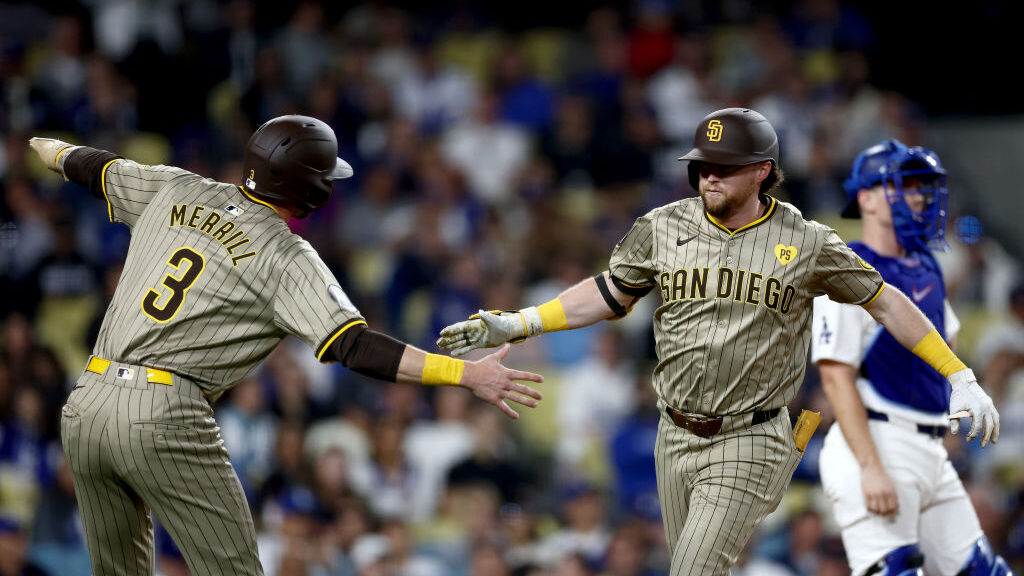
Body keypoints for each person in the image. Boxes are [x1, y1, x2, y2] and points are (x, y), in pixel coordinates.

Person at [436, 108, 1001, 575]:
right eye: (703, 166)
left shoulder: (806, 242)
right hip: (674, 433)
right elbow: (610, 292)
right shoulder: (663, 225)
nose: (709, 176)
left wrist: (959, 374)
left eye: (724, 168)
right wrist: (521, 322)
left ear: (762, 171)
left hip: (751, 437)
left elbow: (887, 301)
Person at [27, 114, 544, 576]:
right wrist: (465, 374)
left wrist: (45, 146)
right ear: (311, 190)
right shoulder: (287, 254)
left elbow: (92, 165)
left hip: (88, 401)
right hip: (162, 412)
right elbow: (355, 347)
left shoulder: (177, 188)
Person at [812, 140, 1013, 576]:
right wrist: (870, 467)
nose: (918, 196)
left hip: (927, 446)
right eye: (903, 186)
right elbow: (835, 377)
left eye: (922, 187)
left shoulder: (926, 263)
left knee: (985, 572)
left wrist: (949, 409)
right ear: (865, 197)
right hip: (877, 441)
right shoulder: (849, 269)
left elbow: (945, 340)